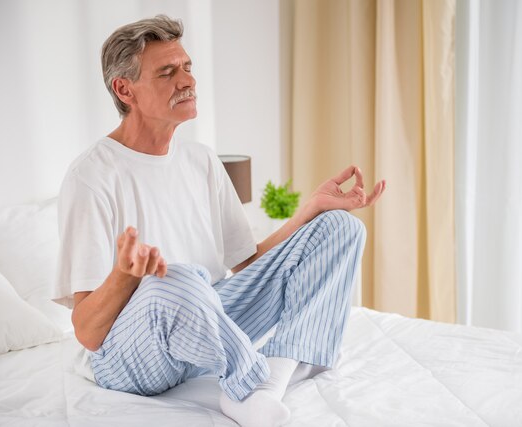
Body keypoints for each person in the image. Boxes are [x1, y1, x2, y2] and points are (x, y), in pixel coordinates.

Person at [54, 14, 386, 427]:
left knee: (342, 228)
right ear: (125, 89)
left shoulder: (201, 159)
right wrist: (125, 275)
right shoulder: (91, 175)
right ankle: (249, 383)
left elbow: (247, 262)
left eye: (188, 67)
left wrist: (311, 209)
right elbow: (86, 332)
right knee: (178, 279)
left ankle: (275, 376)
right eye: (167, 72)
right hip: (130, 355)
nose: (187, 81)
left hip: (208, 327)